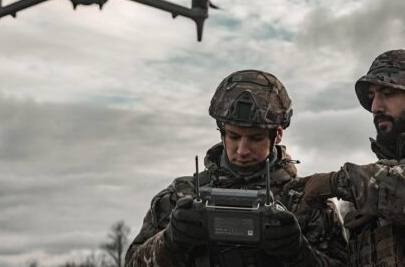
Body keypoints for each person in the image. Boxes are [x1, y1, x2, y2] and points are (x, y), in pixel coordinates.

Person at [125, 70, 347, 267]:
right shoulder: (180, 197)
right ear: (221, 131)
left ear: (277, 134)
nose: (242, 150)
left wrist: (299, 253)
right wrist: (170, 242)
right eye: (233, 136)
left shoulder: (309, 203)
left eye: (255, 138)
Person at [288, 50, 405, 266]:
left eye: (387, 93)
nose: (375, 107)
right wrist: (296, 250)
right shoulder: (365, 198)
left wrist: (337, 182)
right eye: (372, 96)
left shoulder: (365, 186)